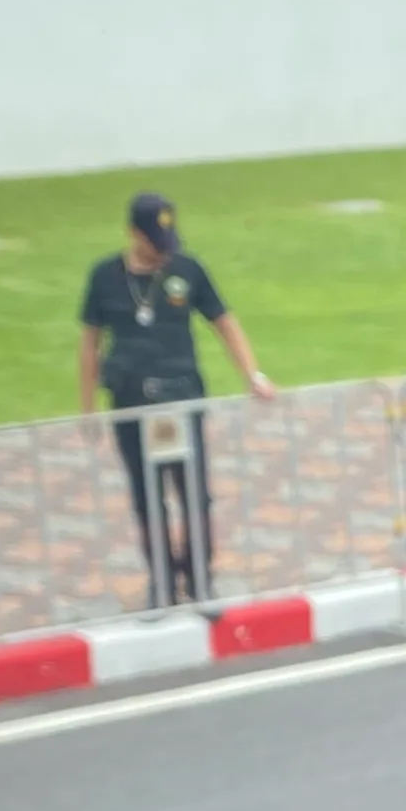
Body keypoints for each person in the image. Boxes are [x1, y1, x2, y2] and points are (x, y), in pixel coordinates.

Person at [77, 193, 275, 604]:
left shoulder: (188, 270)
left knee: (192, 490)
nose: (162, 250)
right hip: (130, 402)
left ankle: (200, 577)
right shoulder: (105, 277)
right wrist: (87, 409)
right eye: (153, 240)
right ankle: (162, 580)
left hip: (181, 398)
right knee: (146, 494)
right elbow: (90, 344)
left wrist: (252, 374)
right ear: (133, 234)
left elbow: (224, 321)